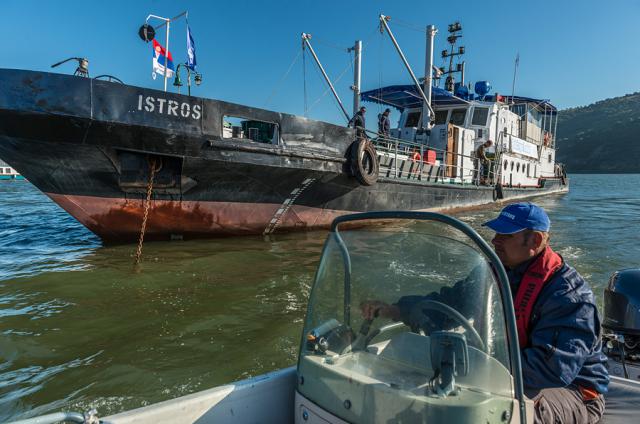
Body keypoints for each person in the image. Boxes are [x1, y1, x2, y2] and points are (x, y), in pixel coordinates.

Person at [361, 202, 609, 424]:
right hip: (507, 367)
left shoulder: (570, 298)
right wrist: (396, 309)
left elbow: (549, 371)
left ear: (534, 241)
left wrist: (475, 367)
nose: (494, 240)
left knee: (517, 411)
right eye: (496, 233)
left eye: (505, 234)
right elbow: (449, 303)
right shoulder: (497, 272)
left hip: (575, 393)